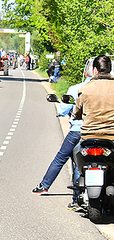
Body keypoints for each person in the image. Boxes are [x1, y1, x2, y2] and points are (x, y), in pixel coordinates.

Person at [32, 64, 93, 208]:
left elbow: (62, 110)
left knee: (61, 158)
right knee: (81, 162)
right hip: (98, 131)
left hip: (77, 130)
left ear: (86, 73)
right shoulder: (109, 90)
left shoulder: (76, 89)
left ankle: (45, 186)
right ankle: (78, 197)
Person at [73, 55, 114, 142]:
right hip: (112, 135)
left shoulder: (84, 88)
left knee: (62, 155)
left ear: (95, 70)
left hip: (88, 135)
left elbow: (77, 112)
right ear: (109, 69)